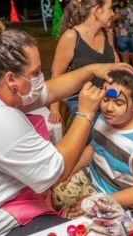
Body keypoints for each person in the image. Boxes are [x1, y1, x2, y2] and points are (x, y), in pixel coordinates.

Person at [0, 16, 133, 235]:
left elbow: (49, 91)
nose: (40, 77)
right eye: (35, 73)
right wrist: (85, 113)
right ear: (12, 79)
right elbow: (57, 170)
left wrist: (92, 70)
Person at [51, 71, 133, 218]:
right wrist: (70, 170)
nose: (108, 108)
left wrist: (97, 201)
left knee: (69, 222)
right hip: (92, 181)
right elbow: (92, 148)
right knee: (51, 193)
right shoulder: (104, 119)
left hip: (118, 202)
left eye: (118, 103)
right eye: (106, 99)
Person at [48, 0, 119, 142]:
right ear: (97, 10)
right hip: (82, 102)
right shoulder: (71, 36)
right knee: (99, 141)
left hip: (107, 97)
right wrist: (54, 109)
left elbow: (116, 65)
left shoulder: (106, 33)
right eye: (110, 9)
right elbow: (56, 74)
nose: (113, 14)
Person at [113, 0, 133, 71]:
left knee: (126, 59)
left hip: (122, 36)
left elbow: (111, 20)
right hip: (132, 36)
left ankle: (130, 77)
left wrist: (114, 27)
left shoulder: (116, 8)